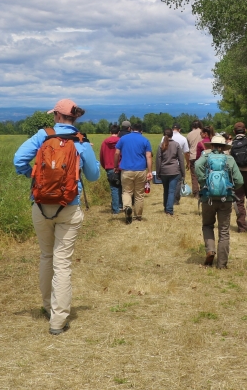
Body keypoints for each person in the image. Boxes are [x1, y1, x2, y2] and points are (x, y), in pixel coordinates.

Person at [13, 98, 100, 335]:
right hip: (69, 207)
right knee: (62, 263)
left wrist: (31, 177)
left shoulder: (43, 135)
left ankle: (46, 306)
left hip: (40, 206)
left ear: (58, 116)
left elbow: (18, 160)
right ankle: (58, 321)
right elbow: (93, 176)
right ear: (74, 118)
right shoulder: (82, 141)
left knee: (46, 255)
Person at [195, 135, 243, 268]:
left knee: (207, 225)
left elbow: (197, 165)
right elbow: (239, 181)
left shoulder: (205, 157)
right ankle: (222, 264)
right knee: (224, 230)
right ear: (223, 147)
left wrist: (204, 182)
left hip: (208, 198)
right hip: (226, 199)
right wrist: (229, 188)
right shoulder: (229, 159)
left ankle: (210, 250)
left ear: (211, 146)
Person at [114, 122, 153, 223]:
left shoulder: (123, 139)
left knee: (126, 192)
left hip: (126, 170)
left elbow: (117, 152)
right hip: (140, 170)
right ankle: (138, 216)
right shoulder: (145, 140)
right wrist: (149, 171)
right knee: (139, 194)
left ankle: (127, 207)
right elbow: (148, 156)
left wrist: (116, 166)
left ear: (131, 129)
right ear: (141, 131)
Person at [156, 128, 186, 215]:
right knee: (171, 191)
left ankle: (166, 207)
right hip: (174, 171)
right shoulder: (176, 145)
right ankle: (169, 209)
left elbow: (158, 160)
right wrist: (183, 172)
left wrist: (158, 173)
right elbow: (181, 160)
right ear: (172, 135)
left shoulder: (161, 145)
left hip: (164, 171)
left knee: (166, 190)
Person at [100, 124, 122, 215]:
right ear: (119, 132)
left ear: (110, 132)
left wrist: (105, 166)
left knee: (114, 188)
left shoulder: (105, 142)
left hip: (109, 167)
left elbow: (101, 156)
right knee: (122, 187)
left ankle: (115, 209)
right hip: (121, 167)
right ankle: (121, 205)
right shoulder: (121, 141)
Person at [186, 120, 203, 198]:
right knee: (203, 174)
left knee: (194, 175)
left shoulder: (189, 134)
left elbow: (188, 147)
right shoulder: (203, 132)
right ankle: (203, 190)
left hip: (192, 156)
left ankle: (196, 192)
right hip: (202, 156)